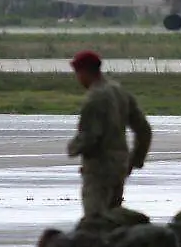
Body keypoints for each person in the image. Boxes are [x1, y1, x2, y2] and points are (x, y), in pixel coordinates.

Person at [65, 50, 153, 217]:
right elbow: (144, 130)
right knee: (115, 218)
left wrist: (73, 148)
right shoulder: (120, 92)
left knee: (95, 220)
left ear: (84, 72)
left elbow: (90, 137)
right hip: (119, 167)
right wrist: (135, 160)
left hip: (98, 170)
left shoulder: (94, 99)